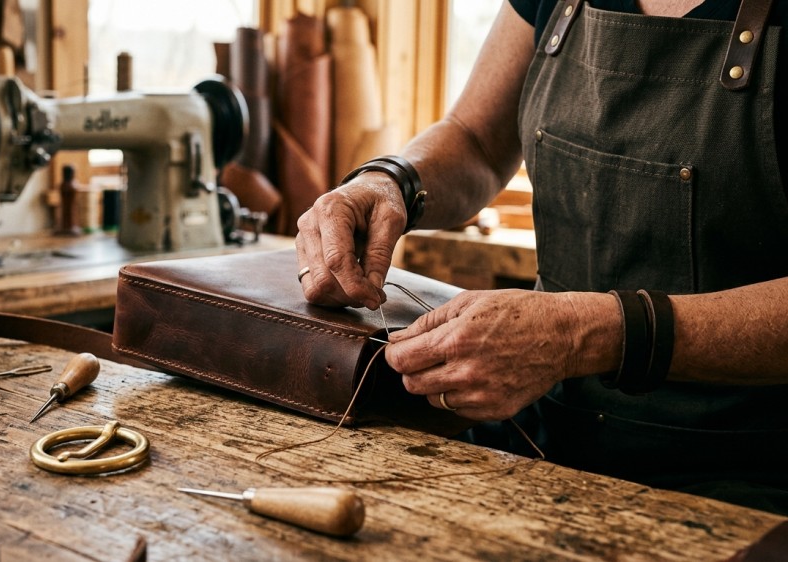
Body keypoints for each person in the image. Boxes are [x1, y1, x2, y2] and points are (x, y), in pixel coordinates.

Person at [295, 0, 788, 515]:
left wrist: (582, 334)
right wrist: (389, 180)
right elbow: (475, 140)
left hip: (745, 474)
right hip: (541, 433)